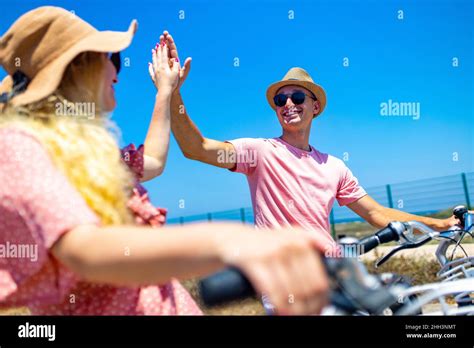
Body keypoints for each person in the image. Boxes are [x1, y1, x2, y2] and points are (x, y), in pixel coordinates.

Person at [0, 6, 330, 316]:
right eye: (110, 57)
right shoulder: (19, 147)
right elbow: (84, 248)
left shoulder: (90, 158)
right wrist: (229, 240)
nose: (118, 68)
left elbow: (154, 160)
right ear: (74, 69)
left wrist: (165, 90)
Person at [159, 31, 460, 246]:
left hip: (334, 278)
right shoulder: (259, 152)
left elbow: (377, 213)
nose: (288, 104)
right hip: (286, 283)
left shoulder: (335, 167)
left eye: (297, 96)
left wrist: (442, 224)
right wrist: (173, 91)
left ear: (314, 106)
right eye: (280, 99)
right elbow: (195, 148)